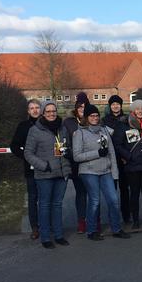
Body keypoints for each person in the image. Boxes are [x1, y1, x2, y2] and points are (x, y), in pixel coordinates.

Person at [73, 104, 132, 241]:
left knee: (113, 200)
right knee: (95, 201)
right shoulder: (80, 133)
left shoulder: (104, 130)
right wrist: (97, 153)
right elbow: (77, 156)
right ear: (86, 118)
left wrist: (115, 173)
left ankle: (116, 229)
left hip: (106, 171)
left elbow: (111, 152)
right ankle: (92, 230)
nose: (95, 118)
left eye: (96, 115)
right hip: (89, 171)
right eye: (92, 116)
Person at [23, 100, 72, 248]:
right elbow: (28, 153)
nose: (51, 114)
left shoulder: (62, 128)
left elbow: (67, 146)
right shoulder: (35, 130)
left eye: (53, 111)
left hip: (61, 173)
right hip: (45, 174)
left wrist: (68, 154)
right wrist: (43, 166)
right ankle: (45, 238)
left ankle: (58, 235)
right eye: (48, 111)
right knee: (44, 205)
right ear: (43, 113)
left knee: (57, 205)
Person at [114, 99, 142, 229]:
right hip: (132, 165)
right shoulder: (124, 124)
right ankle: (135, 221)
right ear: (133, 111)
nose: (140, 111)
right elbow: (118, 144)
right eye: (137, 109)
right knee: (134, 193)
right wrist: (128, 156)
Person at [10, 98, 41, 239]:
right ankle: (35, 227)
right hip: (31, 169)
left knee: (47, 198)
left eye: (37, 107)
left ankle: (49, 224)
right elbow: (14, 146)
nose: (35, 110)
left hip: (47, 168)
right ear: (28, 111)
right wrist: (27, 156)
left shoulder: (47, 124)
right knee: (33, 198)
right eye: (32, 108)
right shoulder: (23, 126)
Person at [102, 95, 131, 226]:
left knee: (125, 189)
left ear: (121, 105)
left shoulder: (127, 119)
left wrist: (127, 155)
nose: (115, 106)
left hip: (124, 158)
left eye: (118, 104)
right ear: (110, 106)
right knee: (112, 191)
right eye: (113, 104)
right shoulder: (104, 121)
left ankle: (126, 216)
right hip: (110, 158)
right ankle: (114, 218)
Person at [62, 92, 89, 233]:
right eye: (80, 106)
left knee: (93, 193)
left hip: (91, 163)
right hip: (76, 164)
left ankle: (93, 220)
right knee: (81, 193)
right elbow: (65, 142)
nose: (82, 109)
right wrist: (72, 154)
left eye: (85, 106)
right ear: (76, 107)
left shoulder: (93, 119)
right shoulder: (68, 122)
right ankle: (81, 221)